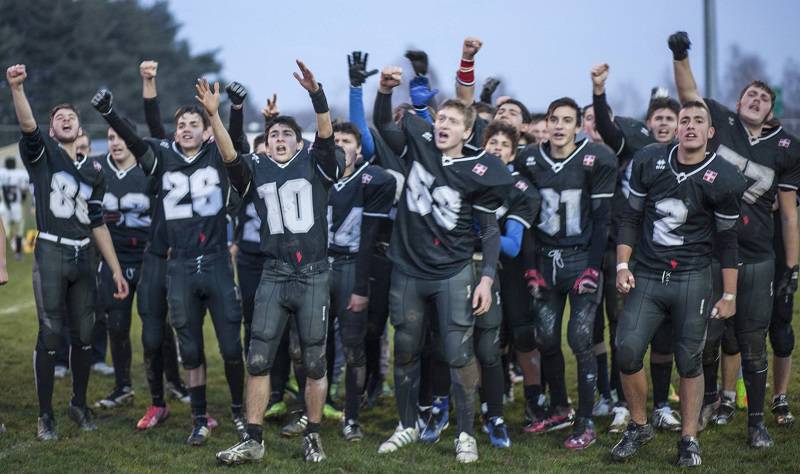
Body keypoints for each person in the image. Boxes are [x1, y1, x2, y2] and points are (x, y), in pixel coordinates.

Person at [201, 60, 345, 464]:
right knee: (259, 356)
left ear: (298, 143)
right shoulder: (258, 167)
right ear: (265, 143)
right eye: (273, 134)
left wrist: (316, 95)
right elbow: (230, 157)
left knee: (314, 358)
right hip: (274, 272)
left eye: (286, 134)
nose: (279, 138)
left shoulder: (315, 162)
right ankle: (254, 438)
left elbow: (327, 135)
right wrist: (213, 115)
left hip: (313, 272)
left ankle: (314, 434)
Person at [92, 81, 245, 446]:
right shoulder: (162, 158)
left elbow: (235, 148)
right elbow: (136, 142)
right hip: (178, 265)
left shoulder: (216, 154)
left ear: (208, 132)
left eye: (195, 123)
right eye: (181, 125)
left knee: (229, 346)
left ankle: (239, 412)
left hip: (217, 262)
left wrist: (231, 109)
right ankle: (197, 418)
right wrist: (109, 112)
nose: (186, 129)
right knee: (189, 348)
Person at [373, 65, 511, 463]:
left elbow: (488, 232)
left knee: (458, 354)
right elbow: (383, 123)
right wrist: (384, 91)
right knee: (405, 348)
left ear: (468, 132)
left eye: (453, 120)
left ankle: (465, 433)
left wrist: (485, 279)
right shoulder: (418, 142)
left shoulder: (483, 170)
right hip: (409, 269)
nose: (444, 123)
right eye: (441, 117)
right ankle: (406, 424)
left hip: (453, 272)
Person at [670, 31, 800, 447]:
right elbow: (689, 93)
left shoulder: (785, 148)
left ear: (772, 110)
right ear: (738, 101)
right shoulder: (720, 124)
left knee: (753, 341)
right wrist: (680, 55)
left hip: (759, 254)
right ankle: (712, 400)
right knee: (706, 336)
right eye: (751, 93)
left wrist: (792, 267)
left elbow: (790, 214)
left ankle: (757, 422)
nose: (757, 98)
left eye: (765, 96)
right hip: (712, 251)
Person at [611, 100, 746, 466]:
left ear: (710, 132)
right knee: (626, 351)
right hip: (649, 274)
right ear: (675, 127)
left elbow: (728, 241)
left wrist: (730, 293)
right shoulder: (650, 161)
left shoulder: (724, 175)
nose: (689, 126)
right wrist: (623, 264)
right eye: (684, 120)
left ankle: (688, 439)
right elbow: (630, 217)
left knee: (688, 359)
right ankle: (638, 425)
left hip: (692, 276)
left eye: (698, 121)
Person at [7, 63, 130, 441]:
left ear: (80, 128)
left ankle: (78, 401)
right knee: (51, 333)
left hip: (84, 256)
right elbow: (28, 124)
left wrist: (115, 269)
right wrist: (17, 89)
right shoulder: (42, 155)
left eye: (71, 116)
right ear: (52, 128)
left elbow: (97, 224)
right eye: (58, 117)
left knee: (85, 335)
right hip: (51, 251)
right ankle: (45, 415)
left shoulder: (94, 171)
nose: (65, 119)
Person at [516, 97, 616, 450]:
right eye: (554, 119)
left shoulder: (596, 159)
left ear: (578, 126)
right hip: (544, 259)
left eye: (567, 120)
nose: (559, 126)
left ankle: (586, 420)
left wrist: (592, 266)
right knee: (545, 338)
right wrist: (529, 266)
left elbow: (603, 219)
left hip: (579, 259)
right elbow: (525, 216)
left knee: (580, 337)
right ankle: (559, 407)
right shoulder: (528, 159)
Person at [589, 63, 683, 433]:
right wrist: (598, 92)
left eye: (669, 118)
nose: (663, 124)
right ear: (648, 123)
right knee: (622, 328)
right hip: (626, 251)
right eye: (657, 118)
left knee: (664, 332)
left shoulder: (690, 154)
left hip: (669, 255)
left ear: (680, 124)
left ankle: (661, 403)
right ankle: (621, 403)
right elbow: (606, 125)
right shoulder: (635, 144)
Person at [482, 120, 540, 448]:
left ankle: (534, 401)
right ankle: (489, 403)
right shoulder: (469, 177)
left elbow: (514, 245)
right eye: (493, 143)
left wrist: (477, 233)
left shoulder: (522, 189)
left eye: (504, 145)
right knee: (486, 340)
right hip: (476, 271)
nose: (497, 149)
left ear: (513, 153)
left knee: (523, 336)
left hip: (512, 271)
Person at [92, 120, 153, 410]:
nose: (115, 143)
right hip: (114, 259)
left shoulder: (148, 167)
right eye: (110, 138)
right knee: (116, 326)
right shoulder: (97, 170)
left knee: (157, 327)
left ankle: (173, 383)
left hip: (148, 257)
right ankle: (122, 386)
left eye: (120, 137)